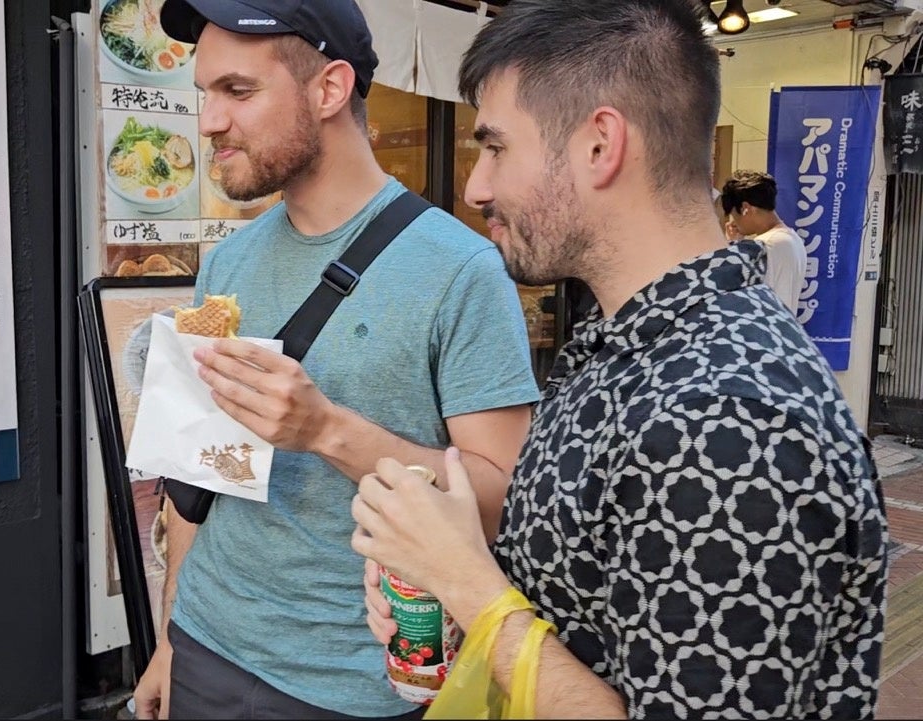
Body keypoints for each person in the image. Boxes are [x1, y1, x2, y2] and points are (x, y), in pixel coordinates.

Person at [352, 0, 886, 718]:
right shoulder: (623, 345)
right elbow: (589, 621)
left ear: (600, 144)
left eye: (497, 146)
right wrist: (448, 593)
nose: (476, 186)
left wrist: (467, 583)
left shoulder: (726, 415)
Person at [134, 0, 542, 718]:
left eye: (238, 90)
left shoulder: (461, 270)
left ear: (328, 89)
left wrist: (324, 429)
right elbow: (199, 474)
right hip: (206, 639)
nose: (208, 122)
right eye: (205, 94)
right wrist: (170, 637)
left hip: (358, 682)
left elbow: (502, 502)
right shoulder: (226, 264)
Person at [721, 169, 808, 314]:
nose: (733, 222)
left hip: (761, 333)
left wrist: (731, 247)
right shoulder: (792, 239)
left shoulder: (764, 245)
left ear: (745, 208)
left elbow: (733, 292)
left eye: (733, 215)